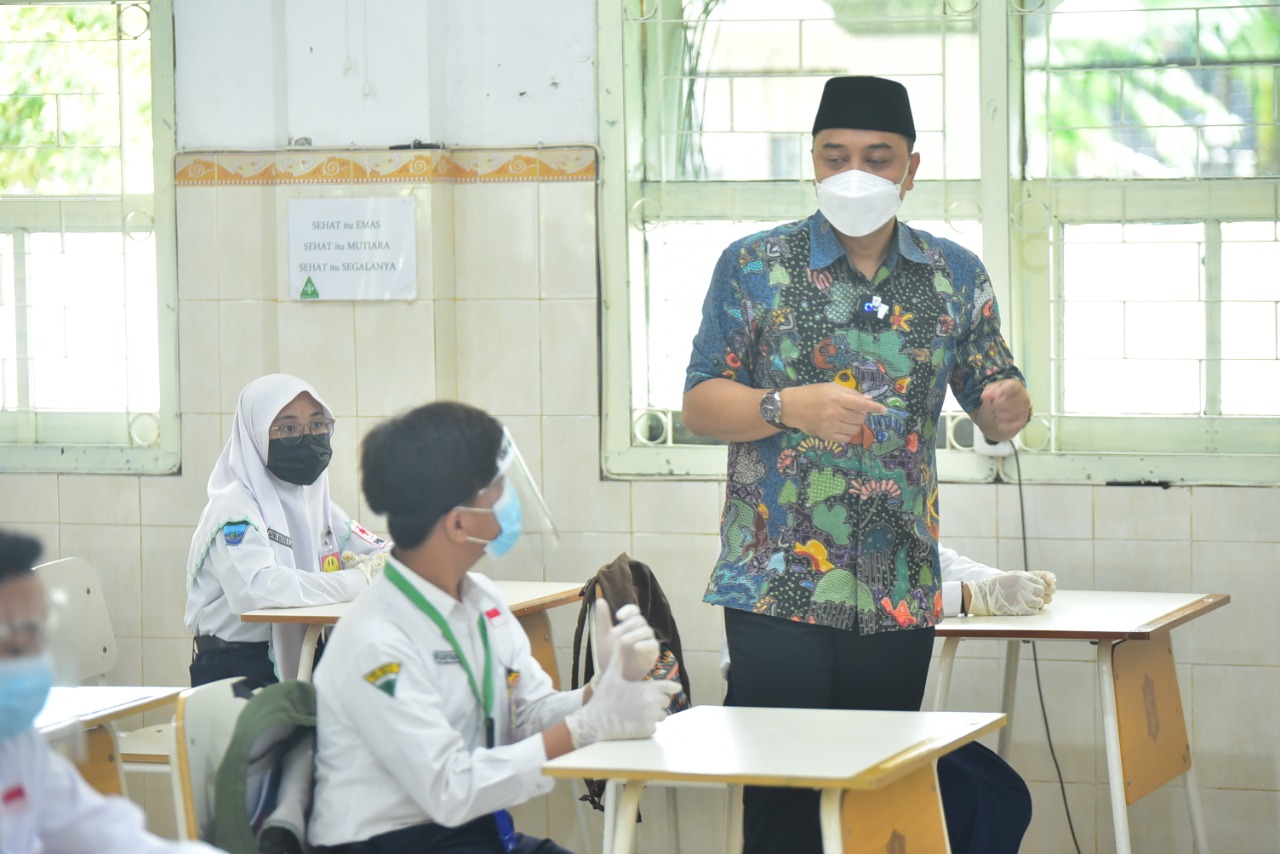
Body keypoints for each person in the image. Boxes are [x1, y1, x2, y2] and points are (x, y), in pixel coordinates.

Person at [683, 76, 1035, 853]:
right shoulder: (754, 265)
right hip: (776, 579)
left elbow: (992, 400)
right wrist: (784, 406)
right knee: (783, 804)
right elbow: (701, 403)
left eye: (878, 157)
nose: (854, 173)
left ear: (912, 169)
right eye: (834, 154)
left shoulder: (953, 275)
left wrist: (1007, 408)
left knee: (879, 798)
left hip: (898, 582)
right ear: (811, 161)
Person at [308, 400, 677, 853]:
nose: (509, 499)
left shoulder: (481, 602)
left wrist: (601, 692)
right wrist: (584, 728)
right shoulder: (377, 639)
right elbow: (449, 790)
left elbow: (527, 714)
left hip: (470, 834)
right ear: (459, 522)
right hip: (392, 842)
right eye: (497, 488)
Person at [0, 529, 223, 853]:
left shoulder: (17, 745)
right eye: (20, 644)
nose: (38, 658)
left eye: (42, 637)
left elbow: (101, 835)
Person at [185, 374, 388, 687]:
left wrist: (380, 566)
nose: (308, 437)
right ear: (256, 435)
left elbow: (380, 552)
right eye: (289, 428)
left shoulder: (314, 502)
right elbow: (257, 589)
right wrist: (355, 581)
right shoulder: (234, 510)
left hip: (305, 655)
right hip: (237, 669)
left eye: (318, 425)